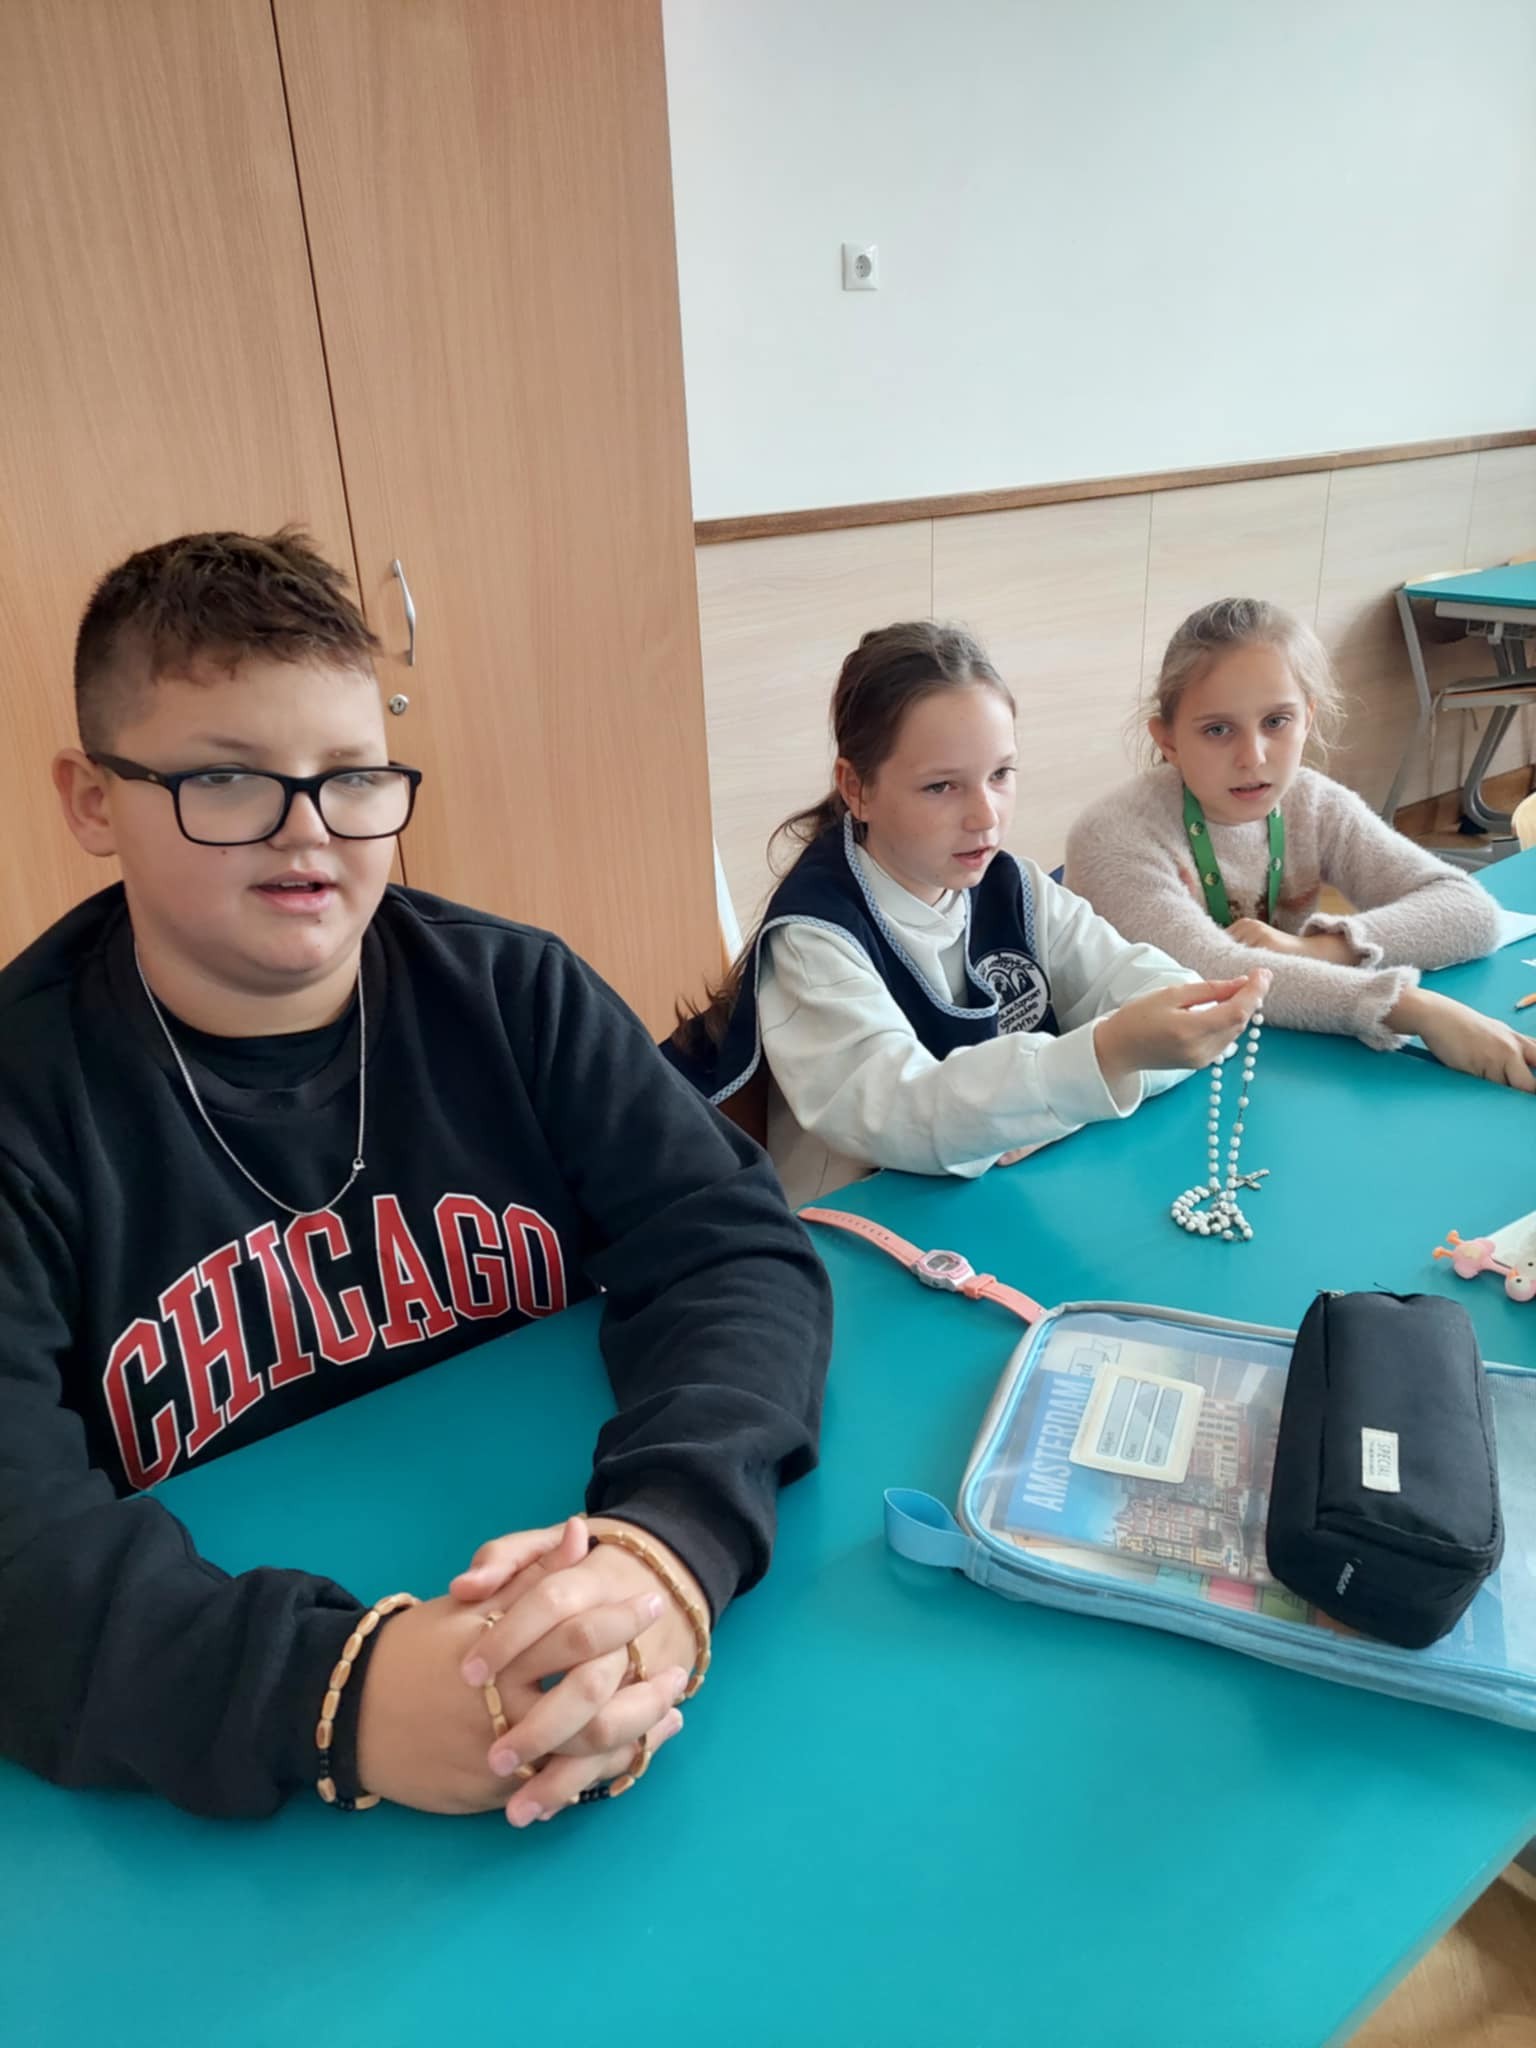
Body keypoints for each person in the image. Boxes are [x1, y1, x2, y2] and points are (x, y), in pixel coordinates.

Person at [0, 528, 831, 1824]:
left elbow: (730, 1244)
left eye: (350, 776)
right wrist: (343, 1696)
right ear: (93, 798)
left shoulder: (515, 993)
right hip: (227, 1772)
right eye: (228, 779)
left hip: (588, 1611)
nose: (307, 832)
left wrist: (664, 1544)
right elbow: (21, 1549)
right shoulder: (26, 1105)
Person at [668, 620, 1267, 1208]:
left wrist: (1075, 1091)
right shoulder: (813, 939)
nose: (986, 816)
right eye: (942, 787)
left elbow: (1173, 1001)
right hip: (856, 1226)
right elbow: (902, 1115)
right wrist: (1102, 1059)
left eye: (1000, 774)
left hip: (990, 1203)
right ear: (856, 788)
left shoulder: (1016, 886)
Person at [1065, 598, 1535, 1091]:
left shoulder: (1312, 802)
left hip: (1280, 1062)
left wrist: (1325, 948)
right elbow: (1211, 976)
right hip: (1141, 1091)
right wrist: (1412, 1008)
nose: (1252, 757)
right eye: (1218, 730)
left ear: (1307, 718)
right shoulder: (1113, 836)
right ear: (1168, 741)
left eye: (1276, 722)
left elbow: (1471, 912)